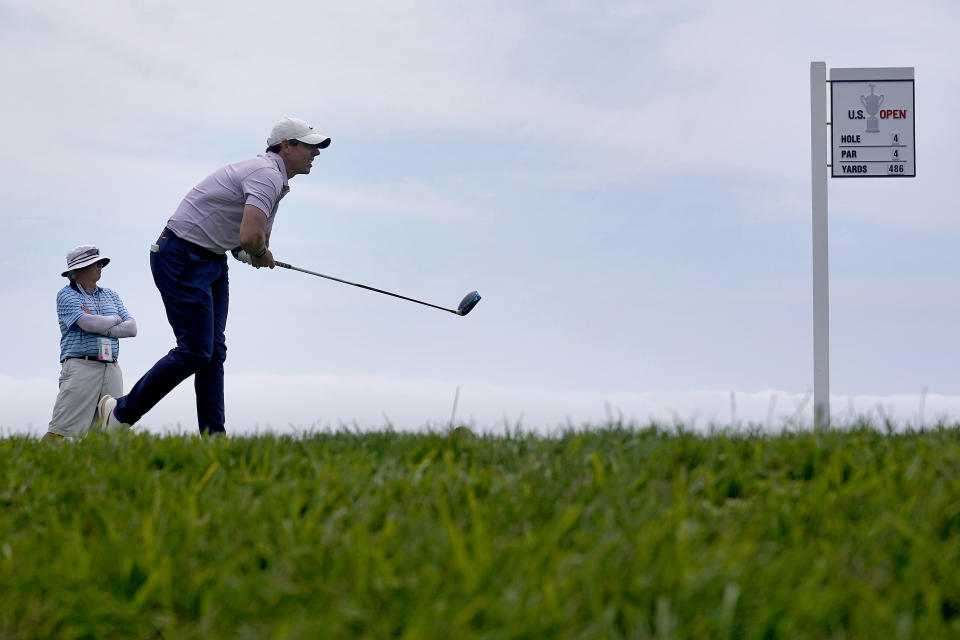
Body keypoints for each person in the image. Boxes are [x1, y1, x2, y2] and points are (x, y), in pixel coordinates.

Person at [98, 117, 331, 436]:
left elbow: (244, 244)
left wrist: (255, 253)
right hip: (180, 255)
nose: (315, 153)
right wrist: (260, 254)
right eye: (309, 145)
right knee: (195, 350)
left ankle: (213, 436)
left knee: (213, 351)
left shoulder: (275, 180)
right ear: (286, 146)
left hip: (210, 258)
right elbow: (251, 239)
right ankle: (120, 414)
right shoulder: (266, 175)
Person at [45, 245, 137, 440]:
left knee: (111, 430)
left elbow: (132, 328)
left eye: (100, 263)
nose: (100, 266)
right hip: (81, 366)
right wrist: (114, 319)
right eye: (94, 263)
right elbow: (87, 323)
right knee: (61, 429)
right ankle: (29, 466)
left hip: (111, 367)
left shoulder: (111, 294)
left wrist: (101, 323)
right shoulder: (66, 295)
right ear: (79, 270)